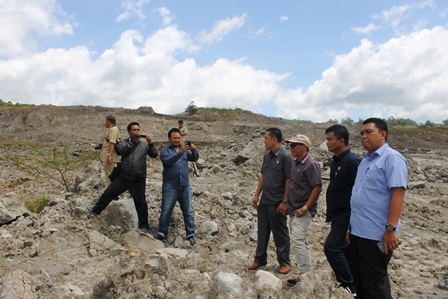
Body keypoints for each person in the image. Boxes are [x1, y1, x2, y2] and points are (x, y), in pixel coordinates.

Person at [347, 118, 408, 299]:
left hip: (376, 234)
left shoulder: (392, 158)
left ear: (383, 134)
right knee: (360, 282)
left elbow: (398, 194)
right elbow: (359, 196)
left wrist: (391, 229)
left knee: (374, 285)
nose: (364, 136)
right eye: (361, 133)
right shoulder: (365, 162)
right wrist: (351, 227)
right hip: (359, 232)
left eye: (368, 132)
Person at [86, 122, 158, 234]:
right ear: (129, 132)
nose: (137, 132)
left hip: (138, 179)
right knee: (109, 192)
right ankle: (96, 210)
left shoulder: (144, 145)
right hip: (124, 176)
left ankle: (144, 226)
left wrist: (151, 144)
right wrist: (133, 142)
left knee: (141, 203)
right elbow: (121, 150)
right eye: (134, 130)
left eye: (138, 130)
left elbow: (154, 155)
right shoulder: (124, 143)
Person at [248, 128, 292, 275]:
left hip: (277, 201)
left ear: (274, 139)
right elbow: (263, 176)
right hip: (265, 200)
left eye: (266, 138)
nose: (264, 141)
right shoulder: (267, 156)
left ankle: (284, 262)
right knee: (262, 230)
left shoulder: (285, 156)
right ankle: (260, 259)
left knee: (280, 233)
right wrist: (256, 195)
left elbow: (289, 179)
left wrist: (285, 201)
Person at [324, 125, 361, 296]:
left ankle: (348, 284)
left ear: (342, 141)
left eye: (330, 139)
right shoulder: (336, 161)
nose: (327, 143)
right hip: (336, 215)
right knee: (346, 250)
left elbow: (360, 190)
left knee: (332, 248)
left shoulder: (352, 162)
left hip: (347, 215)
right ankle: (356, 286)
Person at [283, 134, 322, 286]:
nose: (291, 148)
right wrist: (286, 202)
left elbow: (317, 187)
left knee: (298, 240)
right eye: (290, 145)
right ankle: (305, 272)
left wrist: (305, 208)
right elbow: (290, 182)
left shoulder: (311, 165)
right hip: (294, 208)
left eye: (294, 145)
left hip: (302, 210)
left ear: (304, 147)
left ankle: (305, 274)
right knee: (301, 240)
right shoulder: (296, 164)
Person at [155, 128, 199, 245]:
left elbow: (195, 158)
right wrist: (180, 153)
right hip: (170, 186)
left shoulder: (184, 150)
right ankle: (162, 232)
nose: (177, 140)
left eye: (178, 138)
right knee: (166, 211)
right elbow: (168, 162)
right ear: (169, 139)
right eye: (174, 138)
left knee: (188, 211)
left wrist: (194, 150)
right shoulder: (165, 151)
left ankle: (190, 234)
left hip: (184, 185)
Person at [100, 115, 121, 186]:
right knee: (109, 176)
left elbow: (112, 142)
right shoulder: (111, 129)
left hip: (110, 157)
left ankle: (113, 193)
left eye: (105, 121)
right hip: (108, 156)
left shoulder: (113, 129)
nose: (104, 123)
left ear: (109, 121)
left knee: (111, 176)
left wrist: (109, 155)